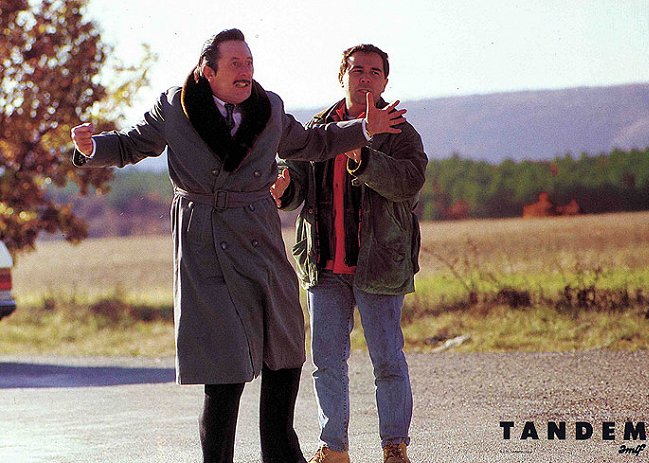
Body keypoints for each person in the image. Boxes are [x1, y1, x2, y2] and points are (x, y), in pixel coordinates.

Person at [70, 29, 406, 463]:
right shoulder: (176, 108)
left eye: (249, 63)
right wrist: (90, 147)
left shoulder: (269, 109)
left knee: (284, 347)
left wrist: (362, 128)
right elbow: (133, 144)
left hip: (258, 234)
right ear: (207, 71)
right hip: (203, 239)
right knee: (222, 365)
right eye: (235, 64)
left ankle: (282, 455)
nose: (246, 72)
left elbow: (314, 143)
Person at [272, 44, 427, 463]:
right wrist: (285, 192)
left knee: (387, 361)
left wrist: (365, 159)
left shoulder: (399, 132)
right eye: (356, 70)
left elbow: (408, 184)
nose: (364, 78)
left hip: (378, 265)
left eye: (374, 72)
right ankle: (334, 449)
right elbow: (297, 185)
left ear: (385, 82)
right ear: (342, 76)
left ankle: (395, 447)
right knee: (327, 362)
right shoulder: (320, 128)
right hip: (324, 265)